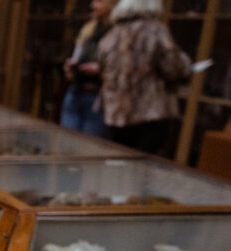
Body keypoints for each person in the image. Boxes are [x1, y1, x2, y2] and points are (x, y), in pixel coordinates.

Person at [97, 0, 192, 155]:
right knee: (145, 164)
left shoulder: (112, 33)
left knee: (118, 160)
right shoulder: (155, 31)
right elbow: (173, 68)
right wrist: (186, 64)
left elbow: (102, 68)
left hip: (115, 111)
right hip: (148, 112)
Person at [60, 0, 116, 138]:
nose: (93, 5)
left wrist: (100, 70)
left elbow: (124, 69)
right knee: (67, 143)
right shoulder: (88, 29)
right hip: (76, 91)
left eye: (99, 1)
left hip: (99, 97)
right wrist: (71, 67)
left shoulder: (119, 33)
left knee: (91, 144)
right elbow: (77, 55)